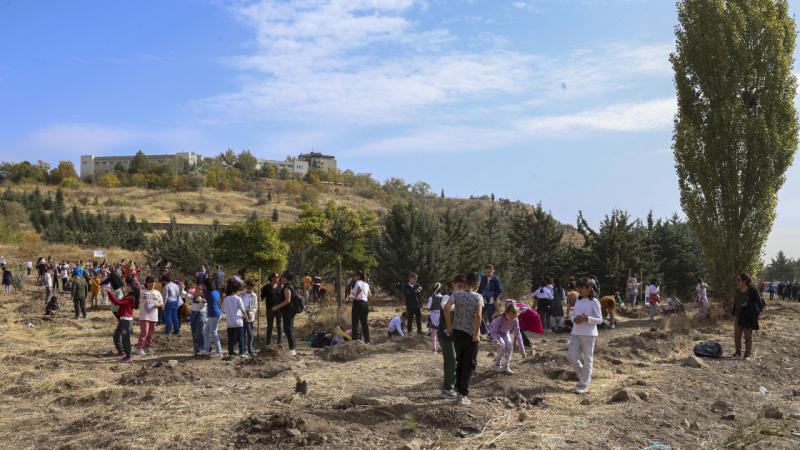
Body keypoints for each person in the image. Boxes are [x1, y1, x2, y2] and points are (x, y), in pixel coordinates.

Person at [445, 271, 483, 406]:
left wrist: (450, 327)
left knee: (460, 361)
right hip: (470, 335)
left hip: (457, 333)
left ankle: (458, 390)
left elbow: (446, 308)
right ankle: (462, 394)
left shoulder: (456, 294)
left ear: (465, 282)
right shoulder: (478, 297)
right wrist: (476, 333)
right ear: (477, 285)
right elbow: (478, 316)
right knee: (470, 364)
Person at [566, 277, 602, 395]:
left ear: (590, 288)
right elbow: (573, 315)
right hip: (576, 332)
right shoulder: (578, 301)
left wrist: (586, 318)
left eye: (583, 287)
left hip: (589, 334)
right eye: (579, 287)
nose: (580, 289)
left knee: (588, 359)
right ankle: (584, 377)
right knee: (571, 356)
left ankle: (583, 385)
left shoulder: (595, 302)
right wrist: (574, 319)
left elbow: (599, 319)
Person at [439, 275, 463, 398]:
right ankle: (447, 388)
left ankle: (453, 385)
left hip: (458, 334)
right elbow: (446, 307)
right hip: (445, 334)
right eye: (458, 286)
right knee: (450, 359)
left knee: (456, 360)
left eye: (462, 287)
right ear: (453, 284)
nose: (460, 289)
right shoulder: (446, 297)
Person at [489, 303, 526, 375]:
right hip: (497, 333)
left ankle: (506, 366)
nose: (512, 319)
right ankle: (497, 365)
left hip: (505, 333)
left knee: (509, 346)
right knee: (502, 346)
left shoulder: (515, 320)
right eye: (511, 316)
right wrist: (495, 340)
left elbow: (518, 334)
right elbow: (493, 331)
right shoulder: (500, 319)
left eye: (514, 317)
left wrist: (522, 349)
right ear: (506, 313)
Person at [732, 273, 763, 360]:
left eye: (739, 280)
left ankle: (747, 355)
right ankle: (738, 352)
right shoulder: (738, 291)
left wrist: (748, 304)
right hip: (738, 317)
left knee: (747, 336)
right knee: (737, 335)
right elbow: (735, 304)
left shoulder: (753, 291)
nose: (737, 282)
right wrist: (734, 315)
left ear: (744, 281)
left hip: (748, 317)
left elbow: (759, 304)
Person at [106, 285, 136, 363]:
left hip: (126, 320)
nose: (126, 287)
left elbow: (117, 302)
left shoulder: (130, 298)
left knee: (125, 339)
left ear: (131, 289)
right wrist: (110, 294)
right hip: (123, 319)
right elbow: (117, 301)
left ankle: (129, 356)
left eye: (128, 286)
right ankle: (122, 352)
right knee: (116, 335)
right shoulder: (127, 297)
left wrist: (110, 293)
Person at [135, 276, 164, 355]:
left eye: (153, 282)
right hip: (144, 315)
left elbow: (161, 303)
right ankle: (139, 348)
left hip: (153, 315)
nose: (152, 284)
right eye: (150, 282)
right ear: (146, 283)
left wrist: (156, 305)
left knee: (151, 332)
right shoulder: (142, 292)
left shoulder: (157, 292)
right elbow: (136, 298)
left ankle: (147, 347)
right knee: (144, 331)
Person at [273, 271, 298, 356]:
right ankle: (293, 348)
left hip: (288, 311)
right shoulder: (290, 285)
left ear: (286, 278)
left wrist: (277, 307)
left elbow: (288, 300)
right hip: (290, 310)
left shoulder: (287, 287)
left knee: (288, 329)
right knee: (290, 328)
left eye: (283, 277)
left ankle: (292, 349)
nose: (281, 278)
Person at [222, 279, 248, 359]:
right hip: (238, 321)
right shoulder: (238, 298)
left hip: (230, 322)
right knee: (240, 338)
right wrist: (246, 316)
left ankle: (231, 353)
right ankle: (242, 353)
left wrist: (229, 313)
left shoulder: (226, 299)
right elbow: (242, 309)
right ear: (236, 290)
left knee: (230, 338)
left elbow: (223, 309)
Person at [200, 278, 223, 357]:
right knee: (205, 332)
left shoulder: (208, 293)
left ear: (207, 285)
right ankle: (206, 349)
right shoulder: (216, 292)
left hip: (214, 314)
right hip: (216, 313)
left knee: (213, 333)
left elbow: (202, 293)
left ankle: (219, 352)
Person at [478, 264, 502, 335]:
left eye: (489, 272)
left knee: (490, 317)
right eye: (486, 272)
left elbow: (499, 291)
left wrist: (494, 296)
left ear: (493, 271)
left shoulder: (496, 279)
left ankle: (492, 334)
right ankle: (483, 331)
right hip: (482, 300)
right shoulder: (482, 278)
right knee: (479, 315)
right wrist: (481, 294)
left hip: (491, 301)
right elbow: (479, 288)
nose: (488, 273)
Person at [261, 272, 283, 346]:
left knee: (279, 326)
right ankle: (268, 343)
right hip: (270, 309)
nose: (277, 278)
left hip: (279, 309)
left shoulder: (280, 286)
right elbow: (261, 297)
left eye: (277, 277)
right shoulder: (266, 287)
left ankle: (279, 342)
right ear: (271, 278)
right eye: (275, 277)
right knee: (269, 326)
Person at [350, 270, 370, 344]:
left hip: (358, 303)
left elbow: (359, 289)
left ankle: (354, 341)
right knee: (364, 323)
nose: (354, 277)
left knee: (355, 322)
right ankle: (367, 340)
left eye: (355, 275)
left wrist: (354, 296)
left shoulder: (358, 282)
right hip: (365, 303)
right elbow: (369, 294)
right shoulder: (366, 284)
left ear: (358, 276)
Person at [241, 280, 259, 355]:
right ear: (246, 286)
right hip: (242, 316)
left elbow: (255, 306)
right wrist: (243, 312)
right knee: (243, 333)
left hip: (250, 317)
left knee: (250, 333)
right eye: (248, 287)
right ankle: (243, 349)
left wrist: (251, 313)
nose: (249, 289)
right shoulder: (241, 294)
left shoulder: (254, 296)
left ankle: (250, 349)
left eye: (250, 288)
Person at [189, 285, 207, 356]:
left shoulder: (204, 297)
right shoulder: (193, 296)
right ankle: (196, 349)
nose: (197, 290)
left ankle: (202, 348)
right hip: (193, 314)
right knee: (194, 332)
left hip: (200, 314)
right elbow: (185, 295)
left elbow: (206, 301)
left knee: (200, 332)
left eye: (199, 289)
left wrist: (202, 300)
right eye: (196, 289)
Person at [427, 282, 443, 352]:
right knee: (441, 333)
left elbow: (428, 306)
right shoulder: (443, 297)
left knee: (434, 333)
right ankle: (442, 347)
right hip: (441, 317)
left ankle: (434, 349)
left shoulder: (431, 297)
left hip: (433, 316)